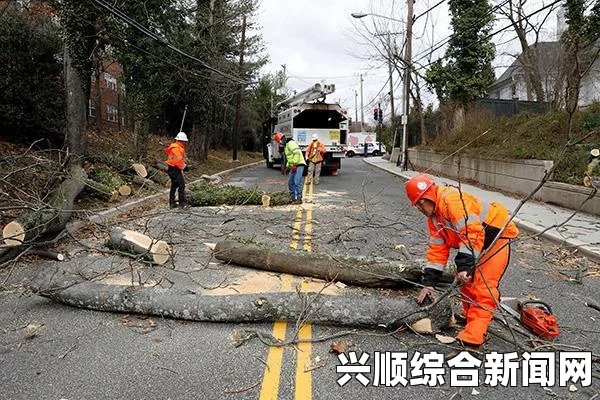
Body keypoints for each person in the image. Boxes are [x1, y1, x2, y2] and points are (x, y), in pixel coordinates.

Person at [405, 174, 519, 351]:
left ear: (429, 195)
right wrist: (429, 283)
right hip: (477, 243)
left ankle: (473, 338)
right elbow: (437, 251)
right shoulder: (434, 219)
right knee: (466, 284)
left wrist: (465, 266)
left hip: (496, 237)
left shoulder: (452, 200)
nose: (420, 207)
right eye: (417, 204)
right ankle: (470, 316)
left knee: (483, 288)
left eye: (421, 202)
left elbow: (472, 233)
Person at [274, 133, 306, 204]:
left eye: (280, 141)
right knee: (290, 182)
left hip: (299, 164)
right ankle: (293, 199)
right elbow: (289, 159)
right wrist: (288, 167)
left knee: (297, 181)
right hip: (294, 165)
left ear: (282, 139)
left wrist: (294, 164)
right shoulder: (286, 147)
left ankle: (299, 199)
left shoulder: (291, 143)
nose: (280, 143)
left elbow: (297, 153)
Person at [165, 132, 190, 209]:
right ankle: (181, 203)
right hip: (174, 169)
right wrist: (185, 167)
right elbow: (178, 161)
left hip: (172, 168)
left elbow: (180, 158)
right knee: (181, 185)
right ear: (181, 141)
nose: (185, 143)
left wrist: (185, 163)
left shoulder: (176, 147)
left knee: (174, 185)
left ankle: (172, 203)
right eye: (184, 141)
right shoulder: (176, 149)